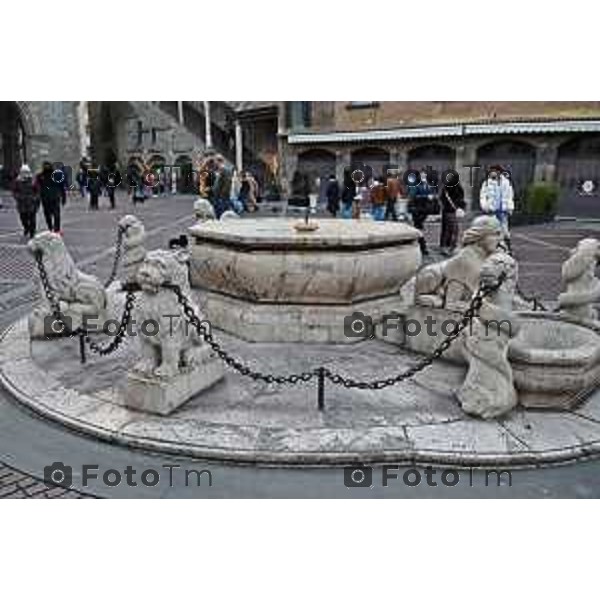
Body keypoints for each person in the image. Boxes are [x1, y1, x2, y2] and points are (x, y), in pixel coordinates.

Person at [479, 166, 514, 250]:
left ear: (499, 172)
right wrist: (485, 206)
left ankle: (507, 248)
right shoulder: (487, 183)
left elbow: (510, 195)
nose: (492, 173)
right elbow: (483, 196)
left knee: (505, 230)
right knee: (492, 230)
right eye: (491, 171)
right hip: (492, 210)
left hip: (503, 210)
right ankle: (492, 248)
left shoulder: (506, 182)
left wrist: (510, 207)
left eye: (494, 171)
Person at [408, 170, 438, 256]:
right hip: (417, 210)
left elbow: (431, 194)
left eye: (424, 176)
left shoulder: (428, 185)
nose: (423, 177)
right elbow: (412, 197)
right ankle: (422, 247)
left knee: (419, 228)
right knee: (419, 228)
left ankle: (417, 245)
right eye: (422, 176)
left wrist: (433, 197)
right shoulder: (416, 185)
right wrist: (426, 197)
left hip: (424, 210)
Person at [439, 179, 466, 255]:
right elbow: (461, 199)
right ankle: (449, 246)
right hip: (450, 211)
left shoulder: (447, 188)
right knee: (452, 229)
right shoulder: (452, 188)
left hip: (450, 211)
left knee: (450, 229)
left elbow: (442, 199)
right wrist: (460, 207)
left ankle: (447, 246)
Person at [35, 161, 62, 233]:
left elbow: (61, 185)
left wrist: (63, 195)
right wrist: (38, 196)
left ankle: (57, 229)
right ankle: (50, 227)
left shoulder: (56, 175)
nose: (46, 167)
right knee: (47, 214)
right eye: (45, 165)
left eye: (48, 165)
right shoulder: (40, 176)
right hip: (45, 197)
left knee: (56, 214)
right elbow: (37, 186)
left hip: (55, 197)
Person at [13, 164, 39, 239]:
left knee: (32, 218)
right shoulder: (18, 181)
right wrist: (18, 197)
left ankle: (32, 231)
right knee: (23, 217)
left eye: (26, 172)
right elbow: (15, 191)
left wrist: (35, 198)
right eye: (24, 172)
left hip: (31, 202)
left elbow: (37, 190)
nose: (25, 173)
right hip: (22, 202)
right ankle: (26, 228)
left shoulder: (33, 180)